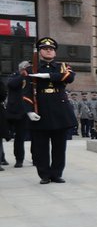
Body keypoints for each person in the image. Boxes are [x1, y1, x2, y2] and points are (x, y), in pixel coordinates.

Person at [24, 37, 77, 184]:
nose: (49, 51)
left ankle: (57, 174)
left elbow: (69, 77)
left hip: (59, 111)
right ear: (40, 51)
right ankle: (44, 175)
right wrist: (29, 111)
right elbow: (26, 92)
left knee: (59, 147)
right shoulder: (30, 69)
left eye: (51, 49)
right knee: (41, 147)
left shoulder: (63, 66)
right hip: (40, 111)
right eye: (45, 48)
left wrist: (47, 76)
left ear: (54, 52)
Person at [5, 61, 31, 167]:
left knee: (26, 136)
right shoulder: (15, 76)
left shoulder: (31, 77)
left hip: (26, 111)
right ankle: (14, 159)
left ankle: (31, 159)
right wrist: (22, 75)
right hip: (14, 111)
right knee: (14, 137)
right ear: (22, 69)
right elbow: (11, 84)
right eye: (28, 68)